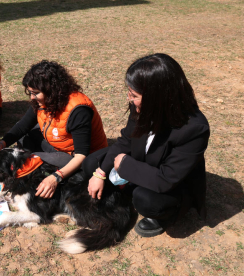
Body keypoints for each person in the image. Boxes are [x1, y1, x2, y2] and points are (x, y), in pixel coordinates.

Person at [83, 53, 210, 238]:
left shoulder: (194, 129)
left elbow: (167, 179)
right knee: (91, 164)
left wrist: (125, 165)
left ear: (158, 98)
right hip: (142, 162)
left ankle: (167, 215)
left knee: (147, 200)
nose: (130, 99)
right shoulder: (141, 106)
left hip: (169, 182)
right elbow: (126, 139)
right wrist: (100, 173)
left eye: (134, 95)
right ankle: (125, 189)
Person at [0, 60, 108, 198]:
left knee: (28, 159)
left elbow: (81, 156)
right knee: (24, 136)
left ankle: (40, 168)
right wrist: (0, 144)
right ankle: (36, 162)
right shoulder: (43, 101)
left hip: (76, 158)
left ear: (51, 90)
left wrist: (56, 177)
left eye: (35, 93)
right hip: (59, 144)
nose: (32, 97)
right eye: (30, 92)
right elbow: (22, 126)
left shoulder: (78, 110)